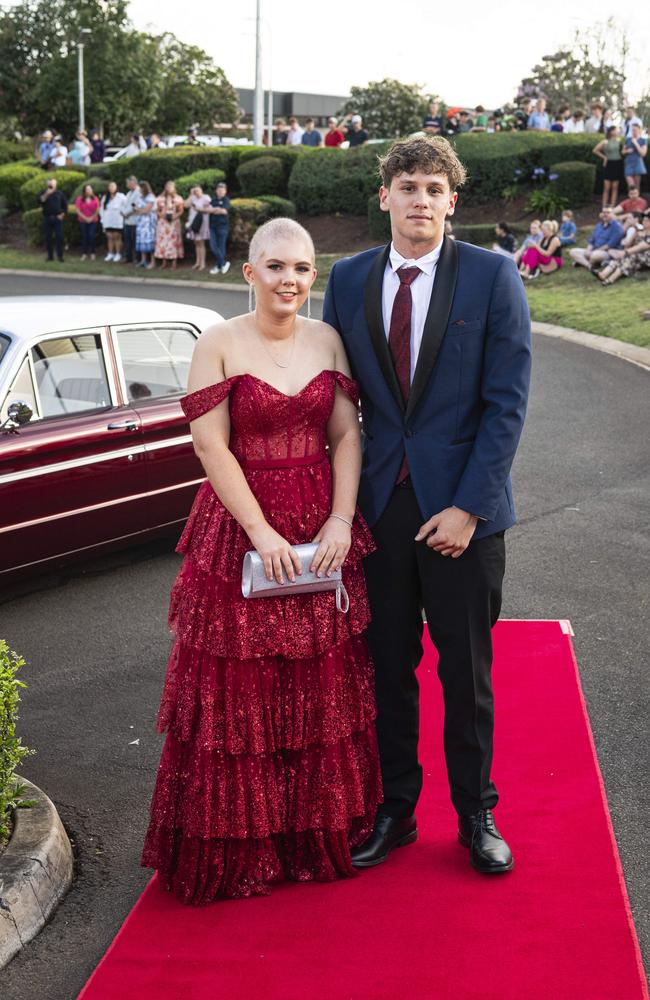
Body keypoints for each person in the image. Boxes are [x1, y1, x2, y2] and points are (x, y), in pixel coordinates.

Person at [141, 216, 382, 902]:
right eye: (276, 267)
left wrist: (339, 518)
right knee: (238, 685)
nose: (290, 281)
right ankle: (246, 850)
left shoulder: (327, 338)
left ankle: (309, 835)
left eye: (302, 269)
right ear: (250, 272)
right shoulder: (217, 342)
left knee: (316, 681)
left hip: (320, 521)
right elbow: (211, 446)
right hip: (243, 528)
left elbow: (346, 435)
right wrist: (262, 534)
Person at [323, 135, 531, 875]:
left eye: (434, 188)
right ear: (385, 196)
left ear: (452, 199)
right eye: (407, 186)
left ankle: (476, 814)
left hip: (465, 516)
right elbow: (334, 398)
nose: (420, 200)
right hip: (380, 508)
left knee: (465, 672)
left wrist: (471, 508)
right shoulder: (346, 280)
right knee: (387, 668)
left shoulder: (492, 276)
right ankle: (395, 811)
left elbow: (506, 404)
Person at [596, 210, 650, 284]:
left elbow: (642, 246)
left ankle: (611, 279)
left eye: (647, 221)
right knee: (624, 257)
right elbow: (628, 245)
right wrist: (635, 233)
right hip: (637, 255)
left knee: (630, 256)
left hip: (647, 257)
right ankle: (603, 274)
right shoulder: (640, 231)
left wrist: (625, 252)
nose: (644, 222)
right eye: (644, 220)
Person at [155, 180, 184, 270]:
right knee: (163, 242)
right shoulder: (160, 198)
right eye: (167, 187)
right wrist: (162, 216)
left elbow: (181, 210)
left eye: (171, 187)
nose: (169, 189)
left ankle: (174, 262)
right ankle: (164, 262)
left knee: (173, 241)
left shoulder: (178, 198)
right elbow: (157, 210)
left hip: (173, 222)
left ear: (174, 188)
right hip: (163, 223)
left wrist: (174, 216)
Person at [593, 126, 623, 208]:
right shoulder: (605, 141)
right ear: (611, 132)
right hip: (609, 164)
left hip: (617, 163)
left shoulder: (619, 141)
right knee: (607, 187)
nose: (618, 131)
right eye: (616, 130)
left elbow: (622, 152)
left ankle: (612, 206)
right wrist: (604, 157)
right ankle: (604, 206)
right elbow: (595, 150)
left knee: (615, 187)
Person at [39, 178, 68, 262]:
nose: (52, 184)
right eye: (51, 183)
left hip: (57, 219)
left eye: (54, 183)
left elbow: (65, 206)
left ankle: (60, 256)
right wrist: (47, 194)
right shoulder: (44, 192)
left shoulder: (60, 194)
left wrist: (62, 214)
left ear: (56, 184)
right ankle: (50, 256)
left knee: (59, 237)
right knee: (48, 238)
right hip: (47, 218)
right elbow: (40, 201)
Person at [184, 184, 211, 271]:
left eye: (198, 190)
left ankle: (202, 263)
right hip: (193, 223)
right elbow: (185, 205)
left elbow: (208, 207)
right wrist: (191, 195)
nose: (197, 192)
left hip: (201, 223)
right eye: (195, 191)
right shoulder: (193, 198)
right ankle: (197, 262)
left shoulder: (206, 197)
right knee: (196, 243)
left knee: (201, 243)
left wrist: (198, 207)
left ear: (201, 190)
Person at [99, 181, 126, 262]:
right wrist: (103, 220)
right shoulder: (105, 197)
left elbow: (126, 205)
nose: (111, 188)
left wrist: (123, 213)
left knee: (117, 237)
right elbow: (102, 210)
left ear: (116, 187)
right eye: (110, 186)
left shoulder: (121, 196)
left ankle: (118, 254)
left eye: (113, 186)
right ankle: (110, 253)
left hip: (117, 221)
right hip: (108, 221)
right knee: (110, 237)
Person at [208, 181, 231, 275]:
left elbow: (224, 211)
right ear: (216, 191)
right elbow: (208, 210)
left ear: (225, 191)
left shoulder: (226, 200)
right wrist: (216, 209)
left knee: (221, 247)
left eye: (222, 190)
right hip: (212, 226)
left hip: (222, 226)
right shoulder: (213, 200)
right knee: (213, 246)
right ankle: (224, 263)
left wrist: (214, 210)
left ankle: (218, 266)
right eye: (219, 190)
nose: (220, 191)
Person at [133, 180, 157, 268]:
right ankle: (143, 260)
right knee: (141, 241)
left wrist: (139, 210)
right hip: (140, 222)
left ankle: (153, 262)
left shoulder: (151, 197)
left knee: (150, 241)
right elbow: (135, 207)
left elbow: (146, 210)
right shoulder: (140, 197)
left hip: (149, 223)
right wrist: (138, 209)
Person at [74, 183, 100, 261]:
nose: (89, 191)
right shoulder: (79, 199)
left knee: (91, 236)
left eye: (90, 189)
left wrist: (91, 218)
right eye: (87, 189)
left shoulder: (95, 198)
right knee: (84, 237)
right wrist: (85, 218)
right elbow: (78, 210)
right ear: (84, 191)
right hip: (82, 220)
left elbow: (97, 210)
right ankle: (84, 253)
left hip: (93, 220)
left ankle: (93, 253)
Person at [622, 122, 647, 193]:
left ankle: (637, 202)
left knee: (636, 185)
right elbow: (622, 152)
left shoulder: (643, 140)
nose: (633, 131)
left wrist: (636, 143)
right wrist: (627, 151)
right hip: (628, 163)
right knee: (631, 185)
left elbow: (643, 154)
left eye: (635, 130)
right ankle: (630, 202)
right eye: (632, 130)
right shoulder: (628, 139)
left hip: (637, 163)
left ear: (639, 130)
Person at [121, 175, 140, 264]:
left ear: (133, 182)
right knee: (127, 240)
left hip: (135, 220)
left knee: (135, 240)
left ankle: (137, 258)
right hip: (127, 220)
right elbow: (125, 205)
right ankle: (128, 257)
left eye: (128, 183)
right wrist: (123, 213)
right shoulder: (128, 193)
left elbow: (135, 206)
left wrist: (126, 213)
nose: (127, 185)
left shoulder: (138, 192)